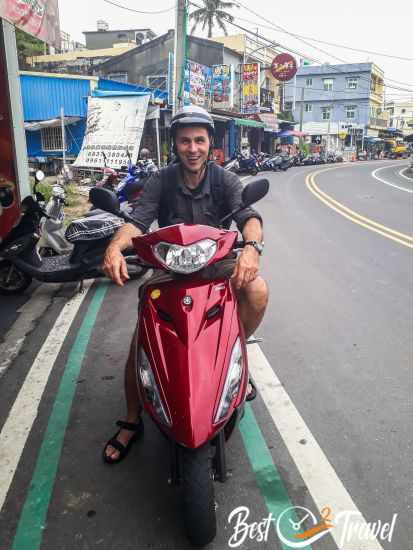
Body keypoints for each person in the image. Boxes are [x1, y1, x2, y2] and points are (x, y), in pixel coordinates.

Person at [102, 105, 268, 464]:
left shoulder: (224, 179)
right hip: (170, 270)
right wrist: (115, 246)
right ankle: (132, 419)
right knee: (142, 344)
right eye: (184, 141)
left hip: (216, 266)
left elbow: (249, 217)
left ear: (210, 144)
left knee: (257, 290)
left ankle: (234, 361)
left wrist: (251, 249)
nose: (192, 148)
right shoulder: (161, 180)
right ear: (175, 146)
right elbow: (137, 221)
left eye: (199, 141)